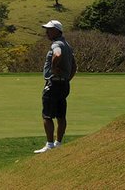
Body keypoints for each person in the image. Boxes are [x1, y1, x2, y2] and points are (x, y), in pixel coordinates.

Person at [34, 19, 77, 153]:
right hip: (64, 84)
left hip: (53, 84)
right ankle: (58, 143)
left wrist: (53, 68)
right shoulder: (67, 45)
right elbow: (74, 66)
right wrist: (67, 78)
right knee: (61, 115)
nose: (47, 32)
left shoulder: (57, 44)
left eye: (49, 30)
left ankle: (50, 145)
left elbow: (57, 54)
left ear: (57, 31)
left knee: (47, 116)